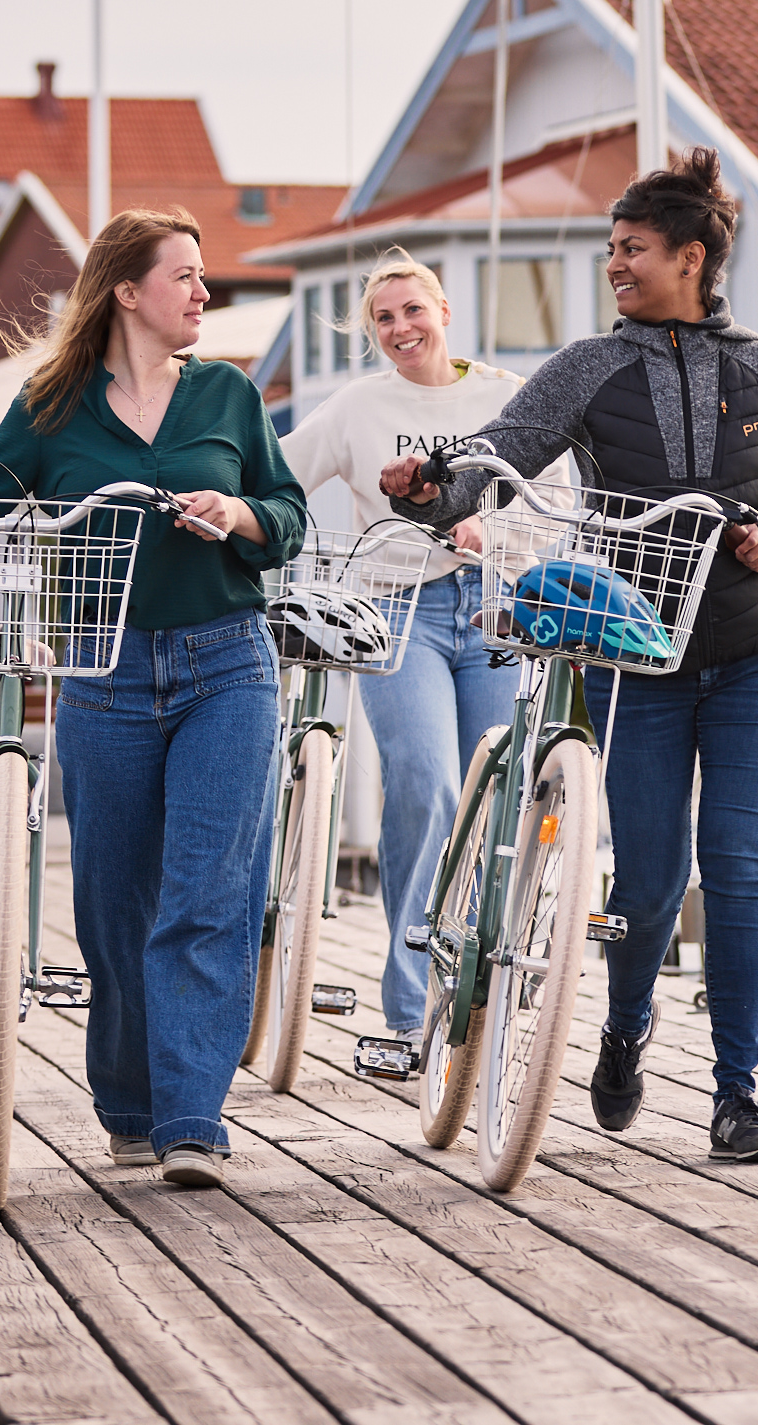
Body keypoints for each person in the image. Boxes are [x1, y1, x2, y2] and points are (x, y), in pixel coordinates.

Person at [383, 149, 758, 1163]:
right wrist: (430, 491)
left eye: (633, 250)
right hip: (632, 662)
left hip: (755, 657)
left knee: (736, 873)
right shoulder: (587, 368)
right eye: (612, 249)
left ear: (692, 258)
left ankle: (740, 1100)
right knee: (648, 884)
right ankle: (623, 1023)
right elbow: (496, 459)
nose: (616, 265)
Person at [0, 207, 306, 1190]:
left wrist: (241, 511)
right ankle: (129, 1104)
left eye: (205, 278)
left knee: (206, 898)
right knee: (115, 906)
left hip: (228, 667)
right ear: (128, 292)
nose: (205, 293)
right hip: (102, 676)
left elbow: (288, 514)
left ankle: (193, 1120)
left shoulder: (230, 397)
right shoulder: (55, 404)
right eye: (188, 277)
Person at [278, 252, 539, 1052]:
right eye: (383, 319)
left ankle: (489, 986)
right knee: (425, 782)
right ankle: (407, 1001)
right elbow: (279, 474)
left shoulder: (503, 396)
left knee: (497, 792)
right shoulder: (357, 406)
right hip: (397, 609)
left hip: (495, 605)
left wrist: (491, 527)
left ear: (444, 311)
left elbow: (555, 498)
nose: (400, 329)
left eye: (411, 311)